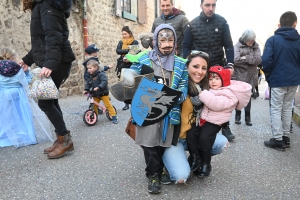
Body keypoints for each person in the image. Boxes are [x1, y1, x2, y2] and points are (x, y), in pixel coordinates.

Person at [129, 24, 188, 194]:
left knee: (163, 143)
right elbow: (130, 83)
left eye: (170, 40)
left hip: (169, 111)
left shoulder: (180, 64)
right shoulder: (143, 60)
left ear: (175, 42)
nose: (167, 44)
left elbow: (182, 90)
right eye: (163, 40)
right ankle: (153, 174)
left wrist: (169, 98)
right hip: (146, 108)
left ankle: (162, 169)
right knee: (149, 143)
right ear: (156, 41)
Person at [162, 51, 229, 183]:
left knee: (222, 143)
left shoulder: (206, 89)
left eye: (204, 68)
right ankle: (167, 162)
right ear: (187, 66)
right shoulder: (176, 84)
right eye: (195, 66)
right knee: (181, 177)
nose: (200, 71)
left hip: (193, 136)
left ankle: (195, 158)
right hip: (173, 139)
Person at [20, 0, 75, 159]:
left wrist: (50, 62)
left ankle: (64, 139)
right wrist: (27, 60)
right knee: (50, 100)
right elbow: (41, 41)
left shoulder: (47, 4)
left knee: (45, 102)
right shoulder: (43, 5)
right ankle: (61, 138)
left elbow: (53, 36)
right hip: (55, 60)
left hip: (57, 61)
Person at [182, 0, 235, 141]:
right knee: (200, 97)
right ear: (201, 6)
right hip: (199, 69)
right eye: (207, 5)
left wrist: (230, 65)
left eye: (213, 5)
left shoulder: (222, 22)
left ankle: (225, 125)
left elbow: (228, 45)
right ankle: (199, 123)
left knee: (220, 97)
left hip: (217, 68)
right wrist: (189, 63)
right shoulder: (191, 25)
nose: (210, 8)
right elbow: (186, 47)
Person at [186, 65, 251, 178]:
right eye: (210, 79)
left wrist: (201, 94)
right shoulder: (210, 90)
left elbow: (215, 104)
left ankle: (206, 163)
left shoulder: (229, 93)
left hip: (215, 122)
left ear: (223, 80)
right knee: (191, 133)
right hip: (204, 119)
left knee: (205, 138)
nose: (213, 81)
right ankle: (194, 158)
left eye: (216, 79)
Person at [0, 47, 53, 148]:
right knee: (22, 114)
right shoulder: (17, 68)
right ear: (12, 57)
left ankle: (5, 137)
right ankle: (26, 135)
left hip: (3, 95)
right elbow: (25, 82)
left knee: (6, 115)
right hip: (19, 95)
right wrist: (27, 72)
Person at [262, 11, 300, 151]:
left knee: (276, 109)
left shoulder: (273, 40)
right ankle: (285, 137)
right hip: (294, 80)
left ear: (280, 24)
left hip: (278, 80)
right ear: (295, 24)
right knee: (287, 107)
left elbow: (265, 60)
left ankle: (278, 140)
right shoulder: (299, 40)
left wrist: (268, 74)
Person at [233, 29, 262, 126]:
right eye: (250, 40)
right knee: (238, 97)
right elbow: (236, 60)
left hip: (251, 75)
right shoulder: (236, 46)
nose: (252, 42)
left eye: (253, 40)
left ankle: (247, 118)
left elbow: (258, 60)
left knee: (248, 97)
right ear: (245, 39)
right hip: (239, 75)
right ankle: (237, 116)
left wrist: (245, 58)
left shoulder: (256, 47)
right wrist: (250, 61)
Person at [83, 44, 114, 115]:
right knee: (94, 92)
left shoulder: (89, 59)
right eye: (96, 52)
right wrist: (108, 67)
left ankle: (95, 106)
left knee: (93, 92)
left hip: (90, 77)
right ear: (93, 53)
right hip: (92, 77)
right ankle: (94, 106)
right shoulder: (93, 60)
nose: (97, 53)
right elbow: (100, 68)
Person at [115, 26, 139, 111]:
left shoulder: (135, 42)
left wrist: (128, 52)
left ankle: (134, 102)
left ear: (129, 34)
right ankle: (126, 104)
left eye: (125, 34)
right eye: (122, 34)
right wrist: (129, 50)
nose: (124, 35)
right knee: (124, 84)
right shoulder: (121, 42)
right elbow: (118, 51)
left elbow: (137, 52)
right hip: (122, 64)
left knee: (133, 83)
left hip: (132, 64)